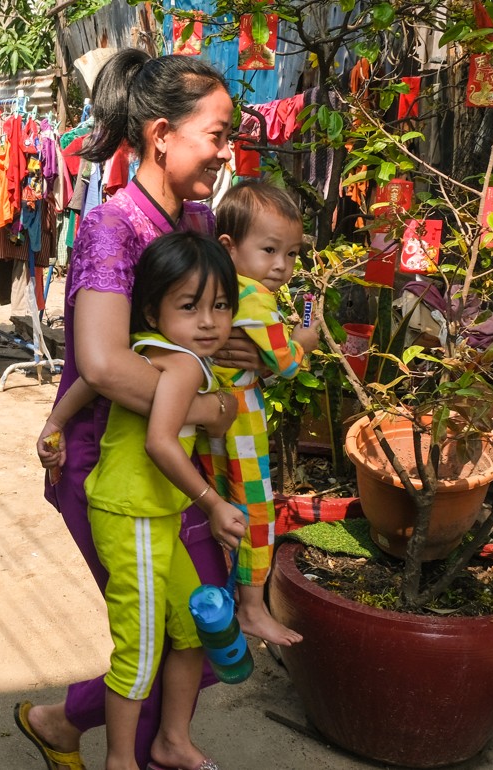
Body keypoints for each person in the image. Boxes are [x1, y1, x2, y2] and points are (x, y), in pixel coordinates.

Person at [17, 49, 263, 770]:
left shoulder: (191, 216)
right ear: (162, 134)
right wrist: (207, 405)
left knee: (205, 625)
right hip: (110, 466)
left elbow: (186, 329)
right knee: (157, 635)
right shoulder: (111, 227)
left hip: (171, 459)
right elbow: (102, 363)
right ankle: (131, 745)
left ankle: (66, 724)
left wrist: (233, 340)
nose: (227, 151)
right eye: (217, 134)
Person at [39, 232, 247, 770]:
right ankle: (120, 762)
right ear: (153, 309)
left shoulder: (151, 348)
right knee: (140, 651)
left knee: (189, 625)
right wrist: (210, 503)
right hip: (134, 518)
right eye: (189, 307)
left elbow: (92, 377)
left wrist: (56, 422)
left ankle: (170, 742)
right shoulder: (181, 366)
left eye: (220, 306)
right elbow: (160, 442)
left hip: (151, 516)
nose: (208, 322)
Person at [207, 180, 320, 646]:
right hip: (243, 423)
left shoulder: (218, 283)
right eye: (270, 249)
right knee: (255, 511)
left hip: (213, 415)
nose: (282, 266)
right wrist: (307, 334)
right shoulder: (253, 297)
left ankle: (227, 595)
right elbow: (289, 363)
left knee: (221, 503)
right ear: (230, 248)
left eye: (292, 254)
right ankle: (252, 608)